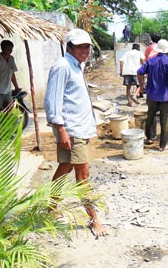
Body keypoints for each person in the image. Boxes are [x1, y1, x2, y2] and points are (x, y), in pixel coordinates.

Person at [44, 28, 107, 238]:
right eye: (80, 46)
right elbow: (52, 100)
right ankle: (93, 219)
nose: (85, 50)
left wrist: (89, 127)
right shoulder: (62, 66)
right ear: (68, 47)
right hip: (71, 130)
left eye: (87, 46)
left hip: (79, 129)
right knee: (83, 176)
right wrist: (60, 129)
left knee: (65, 168)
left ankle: (50, 208)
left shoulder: (76, 66)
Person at [137, 39, 168, 152]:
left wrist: (141, 86)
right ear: (167, 50)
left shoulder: (150, 61)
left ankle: (150, 138)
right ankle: (162, 145)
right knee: (165, 121)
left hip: (152, 96)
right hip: (165, 96)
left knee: (150, 117)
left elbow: (139, 72)